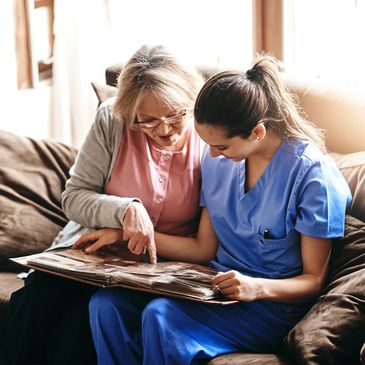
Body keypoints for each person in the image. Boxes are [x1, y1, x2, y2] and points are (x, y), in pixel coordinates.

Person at [86, 54, 352, 365]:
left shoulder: (312, 176)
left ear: (257, 132)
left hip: (270, 304)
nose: (210, 154)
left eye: (221, 147)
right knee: (107, 305)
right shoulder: (217, 162)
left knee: (162, 316)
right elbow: (203, 248)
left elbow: (313, 281)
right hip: (213, 288)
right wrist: (123, 234)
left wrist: (254, 287)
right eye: (207, 144)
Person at [4, 44, 204, 365]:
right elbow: (74, 197)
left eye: (175, 115)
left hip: (155, 268)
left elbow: (208, 244)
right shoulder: (112, 120)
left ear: (192, 102)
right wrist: (125, 209)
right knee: (38, 297)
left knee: (83, 322)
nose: (164, 130)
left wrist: (126, 235)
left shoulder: (211, 137)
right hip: (91, 256)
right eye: (147, 121)